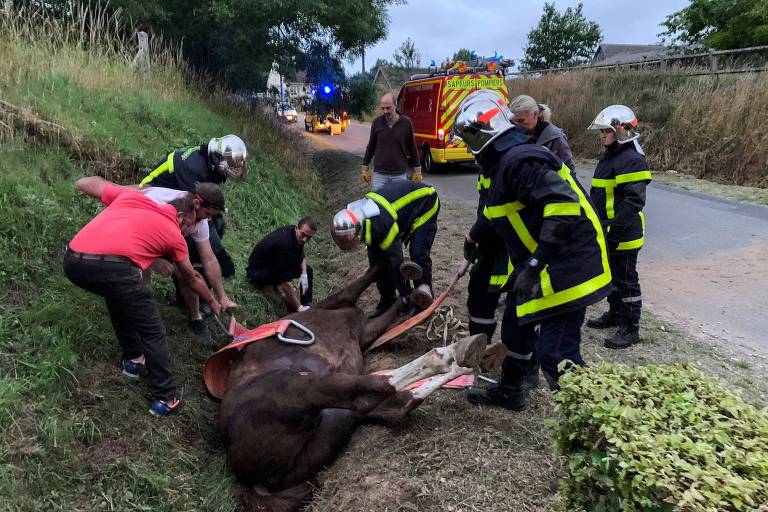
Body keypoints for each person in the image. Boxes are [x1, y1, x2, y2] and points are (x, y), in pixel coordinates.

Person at [452, 89, 611, 411]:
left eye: (468, 143)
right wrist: (473, 238)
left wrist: (535, 266)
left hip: (567, 267)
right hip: (542, 264)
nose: (468, 151)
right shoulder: (502, 165)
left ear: (481, 138)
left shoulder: (521, 160)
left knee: (557, 353)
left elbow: (563, 207)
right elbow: (494, 212)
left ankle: (595, 421)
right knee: (515, 323)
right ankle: (512, 391)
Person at [64, 178, 222, 417]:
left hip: (73, 261)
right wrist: (212, 301)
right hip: (115, 268)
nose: (191, 228)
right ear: (182, 215)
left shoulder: (132, 197)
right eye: (194, 221)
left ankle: (134, 360)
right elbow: (192, 279)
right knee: (153, 330)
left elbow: (90, 184)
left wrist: (84, 182)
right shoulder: (174, 233)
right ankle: (166, 396)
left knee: (116, 296)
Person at [585, 105, 652, 349]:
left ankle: (631, 328)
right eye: (601, 131)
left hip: (624, 234)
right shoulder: (611, 156)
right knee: (612, 278)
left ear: (621, 131)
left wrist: (614, 229)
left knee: (626, 281)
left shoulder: (632, 160)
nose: (602, 135)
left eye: (606, 131)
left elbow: (633, 201)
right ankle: (615, 315)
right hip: (608, 231)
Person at [139, 180, 238, 343]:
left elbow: (209, 259)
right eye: (207, 214)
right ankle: (142, 315)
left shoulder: (200, 221)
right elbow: (139, 237)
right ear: (197, 203)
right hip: (142, 231)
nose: (208, 219)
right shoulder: (159, 204)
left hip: (166, 238)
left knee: (187, 273)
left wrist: (222, 297)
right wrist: (155, 260)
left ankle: (196, 318)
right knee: (142, 270)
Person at [331, 181, 440, 318]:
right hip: (397, 209)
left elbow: (396, 261)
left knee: (418, 253)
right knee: (379, 262)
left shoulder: (380, 223)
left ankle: (424, 300)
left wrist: (406, 295)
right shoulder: (358, 217)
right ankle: (387, 301)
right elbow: (377, 260)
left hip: (426, 201)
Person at [246, 217, 317, 312]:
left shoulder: (296, 234)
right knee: (283, 278)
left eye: (309, 237)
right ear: (297, 228)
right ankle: (269, 286)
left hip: (273, 264)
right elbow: (285, 283)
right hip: (257, 272)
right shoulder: (284, 244)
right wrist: (299, 308)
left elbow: (301, 255)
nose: (305, 239)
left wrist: (304, 273)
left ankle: (307, 303)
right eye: (303, 235)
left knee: (308, 270)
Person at [361, 92, 422, 191]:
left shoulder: (406, 123)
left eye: (388, 108)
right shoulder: (377, 123)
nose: (385, 111)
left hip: (399, 175)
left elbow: (412, 147)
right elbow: (371, 147)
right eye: (383, 108)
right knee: (378, 204)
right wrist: (364, 168)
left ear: (395, 105)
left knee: (398, 204)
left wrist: (417, 171)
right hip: (379, 175)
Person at [509, 95, 576, 173]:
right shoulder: (512, 135)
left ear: (535, 114)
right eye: (513, 121)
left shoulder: (555, 138)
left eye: (521, 121)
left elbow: (569, 170)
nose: (516, 125)